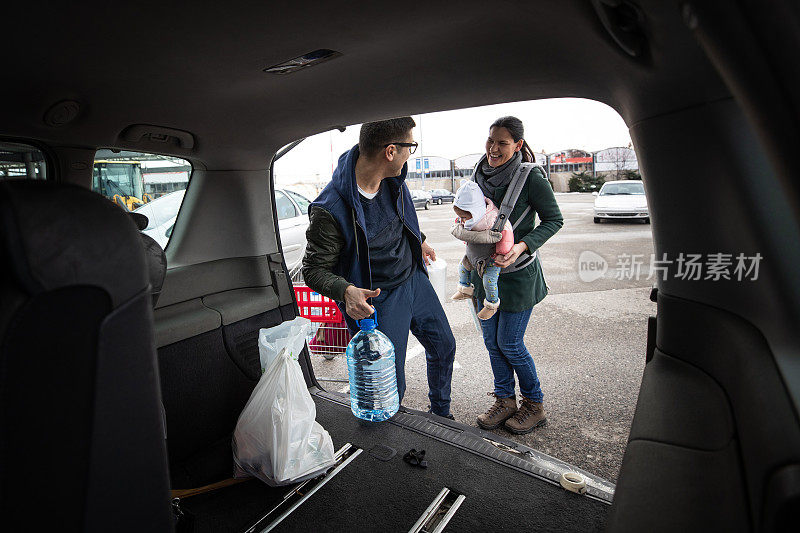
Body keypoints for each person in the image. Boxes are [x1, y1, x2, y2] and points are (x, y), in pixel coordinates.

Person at [302, 117, 456, 419]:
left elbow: (399, 218)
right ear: (390, 151)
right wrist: (345, 290)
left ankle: (441, 415)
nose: (410, 154)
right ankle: (388, 442)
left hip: (413, 280)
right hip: (379, 299)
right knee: (389, 384)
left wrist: (419, 240)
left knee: (444, 347)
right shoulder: (330, 208)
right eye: (409, 147)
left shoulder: (393, 179)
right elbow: (313, 269)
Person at [469, 116, 563, 434]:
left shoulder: (531, 176)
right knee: (492, 344)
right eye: (490, 140)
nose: (494, 148)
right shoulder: (478, 173)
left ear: (518, 145)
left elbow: (554, 219)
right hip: (484, 274)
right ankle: (505, 401)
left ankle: (534, 405)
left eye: (503, 143)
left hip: (518, 276)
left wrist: (523, 245)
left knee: (509, 342)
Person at [450, 180, 514, 321]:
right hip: (473, 254)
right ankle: (464, 289)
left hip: (491, 258)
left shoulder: (492, 219)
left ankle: (491, 304)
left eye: (465, 217)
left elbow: (506, 231)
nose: (462, 221)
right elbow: (458, 225)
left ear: (476, 211)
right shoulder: (466, 218)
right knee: (462, 267)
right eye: (460, 217)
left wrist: (503, 251)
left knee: (489, 280)